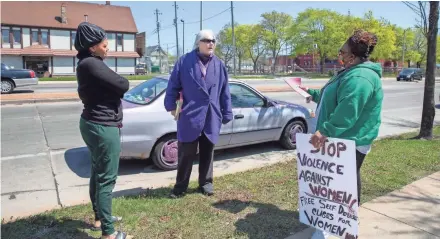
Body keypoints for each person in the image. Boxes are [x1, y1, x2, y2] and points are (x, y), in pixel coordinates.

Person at [300, 29, 383, 239]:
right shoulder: (350, 71)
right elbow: (336, 96)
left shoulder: (361, 77)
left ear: (352, 56)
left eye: (342, 51)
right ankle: (344, 224)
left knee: (341, 188)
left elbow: (348, 110)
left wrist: (324, 131)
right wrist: (314, 94)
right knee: (342, 185)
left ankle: (340, 229)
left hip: (350, 141)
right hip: (342, 140)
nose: (340, 54)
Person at [75, 22, 130, 239]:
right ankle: (108, 233)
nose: (107, 49)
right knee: (107, 178)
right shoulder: (93, 64)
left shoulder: (86, 63)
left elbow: (116, 84)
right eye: (104, 45)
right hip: (103, 126)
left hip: (93, 123)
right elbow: (123, 84)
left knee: (97, 172)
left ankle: (100, 218)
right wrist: (119, 83)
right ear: (92, 47)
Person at [164, 29, 233, 198]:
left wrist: (227, 112)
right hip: (190, 115)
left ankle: (206, 183)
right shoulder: (184, 62)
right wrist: (171, 105)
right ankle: (180, 187)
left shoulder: (219, 64)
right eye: (207, 40)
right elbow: (173, 85)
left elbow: (225, 91)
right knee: (186, 153)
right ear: (198, 42)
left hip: (211, 116)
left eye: (213, 41)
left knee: (208, 152)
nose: (211, 44)